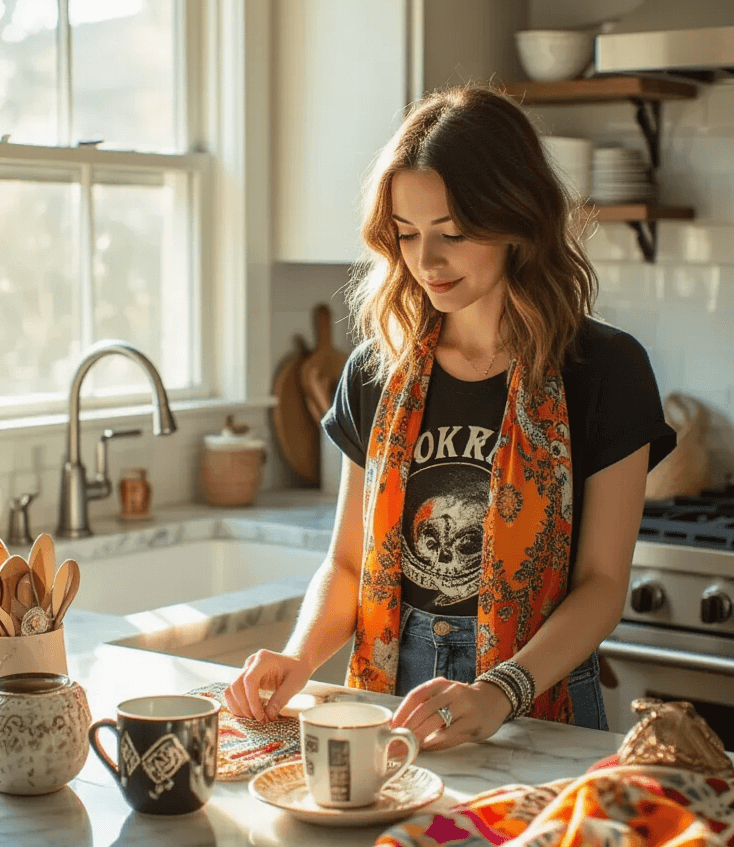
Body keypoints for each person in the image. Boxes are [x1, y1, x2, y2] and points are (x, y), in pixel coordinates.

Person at [224, 83, 675, 750]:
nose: (426, 262)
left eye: (453, 234)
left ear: (517, 221)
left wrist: (502, 691)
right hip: (384, 691)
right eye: (406, 235)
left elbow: (603, 585)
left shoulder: (604, 369)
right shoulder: (377, 372)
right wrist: (296, 658)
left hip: (533, 694)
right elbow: (347, 566)